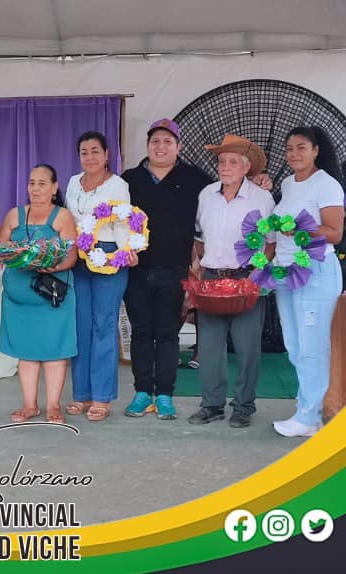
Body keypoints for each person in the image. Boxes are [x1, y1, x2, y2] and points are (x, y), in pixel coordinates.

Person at [121, 120, 212, 419]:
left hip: (174, 270)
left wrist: (259, 181)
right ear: (147, 145)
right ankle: (141, 392)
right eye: (155, 141)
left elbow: (224, 196)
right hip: (136, 270)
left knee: (168, 334)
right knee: (141, 333)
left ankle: (164, 395)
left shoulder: (196, 179)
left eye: (168, 142)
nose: (161, 147)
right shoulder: (129, 179)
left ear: (178, 146)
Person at [189, 134, 275, 428]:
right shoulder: (206, 195)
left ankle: (243, 406)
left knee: (247, 347)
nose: (225, 166)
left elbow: (271, 241)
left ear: (246, 167)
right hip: (212, 278)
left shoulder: (262, 198)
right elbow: (198, 236)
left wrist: (255, 273)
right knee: (210, 346)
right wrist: (199, 267)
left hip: (246, 278)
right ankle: (211, 405)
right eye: (222, 161)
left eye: (233, 162)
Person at [273, 127, 344, 437]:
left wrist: (301, 229)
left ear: (316, 151)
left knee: (312, 347)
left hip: (315, 271)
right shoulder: (288, 184)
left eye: (301, 147)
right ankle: (306, 407)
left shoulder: (326, 185)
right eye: (289, 148)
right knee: (294, 345)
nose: (294, 154)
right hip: (286, 271)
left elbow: (335, 233)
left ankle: (310, 416)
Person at [0, 164, 77, 423]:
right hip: (19, 298)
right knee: (26, 352)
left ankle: (53, 406)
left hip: (51, 297)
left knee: (55, 352)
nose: (35, 188)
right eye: (32, 183)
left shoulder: (62, 216)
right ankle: (29, 405)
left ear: (54, 188)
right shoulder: (14, 215)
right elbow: (0, 249)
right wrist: (14, 254)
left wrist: (53, 264)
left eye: (42, 183)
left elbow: (72, 255)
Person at [65, 130, 134, 422]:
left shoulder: (118, 185)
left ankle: (102, 397)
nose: (90, 157)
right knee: (80, 326)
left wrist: (126, 251)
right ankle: (81, 393)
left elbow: (123, 222)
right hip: (78, 257)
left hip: (108, 254)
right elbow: (68, 219)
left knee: (103, 325)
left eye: (95, 151)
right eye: (84, 152)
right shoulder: (73, 183)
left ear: (106, 155)